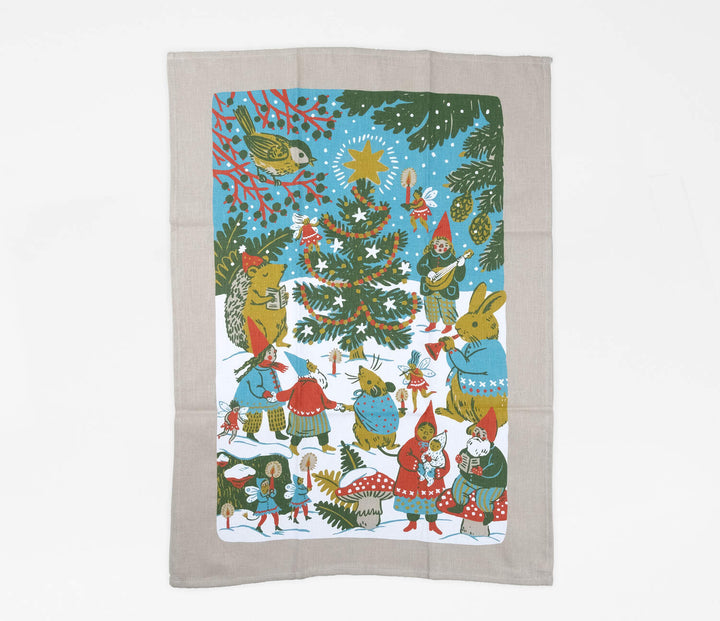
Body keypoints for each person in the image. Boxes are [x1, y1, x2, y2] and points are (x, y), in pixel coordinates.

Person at [393, 403, 449, 534]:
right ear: (417, 429)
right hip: (412, 481)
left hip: (431, 484)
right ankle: (412, 523)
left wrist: (438, 472)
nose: (425, 434)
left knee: (432, 506)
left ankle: (432, 524)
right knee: (412, 505)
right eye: (422, 430)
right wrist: (414, 464)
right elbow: (402, 456)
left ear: (434, 433)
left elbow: (445, 464)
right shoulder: (411, 443)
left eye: (429, 432)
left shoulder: (437, 446)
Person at [276, 352, 345, 455]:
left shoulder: (305, 384)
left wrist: (276, 397)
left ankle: (324, 446)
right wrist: (336, 405)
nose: (316, 368)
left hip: (310, 413)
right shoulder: (311, 385)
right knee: (312, 430)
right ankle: (294, 446)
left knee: (316, 430)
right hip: (307, 414)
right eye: (312, 367)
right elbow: (325, 401)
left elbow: (287, 394)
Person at [232, 318, 289, 442]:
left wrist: (277, 394)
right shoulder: (255, 371)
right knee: (254, 414)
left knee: (276, 410)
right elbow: (255, 386)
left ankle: (278, 432)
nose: (273, 356)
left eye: (274, 353)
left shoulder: (271, 368)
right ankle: (250, 433)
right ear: (262, 355)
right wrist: (264, 393)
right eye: (270, 354)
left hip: (271, 396)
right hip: (255, 397)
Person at [447, 409, 507, 526]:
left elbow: (495, 470)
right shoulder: (471, 447)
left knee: (482, 498)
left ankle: (488, 513)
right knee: (458, 486)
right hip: (471, 479)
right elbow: (464, 453)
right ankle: (459, 505)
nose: (477, 436)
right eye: (476, 432)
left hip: (492, 484)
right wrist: (461, 460)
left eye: (482, 434)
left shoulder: (495, 454)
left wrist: (482, 472)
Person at [416, 213, 466, 334]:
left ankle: (448, 325)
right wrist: (428, 272)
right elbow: (420, 267)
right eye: (438, 243)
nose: (440, 246)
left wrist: (461, 265)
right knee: (430, 305)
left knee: (447, 307)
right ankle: (432, 323)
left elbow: (459, 277)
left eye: (444, 245)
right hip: (430, 288)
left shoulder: (452, 259)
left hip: (447, 290)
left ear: (449, 246)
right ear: (433, 244)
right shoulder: (428, 256)